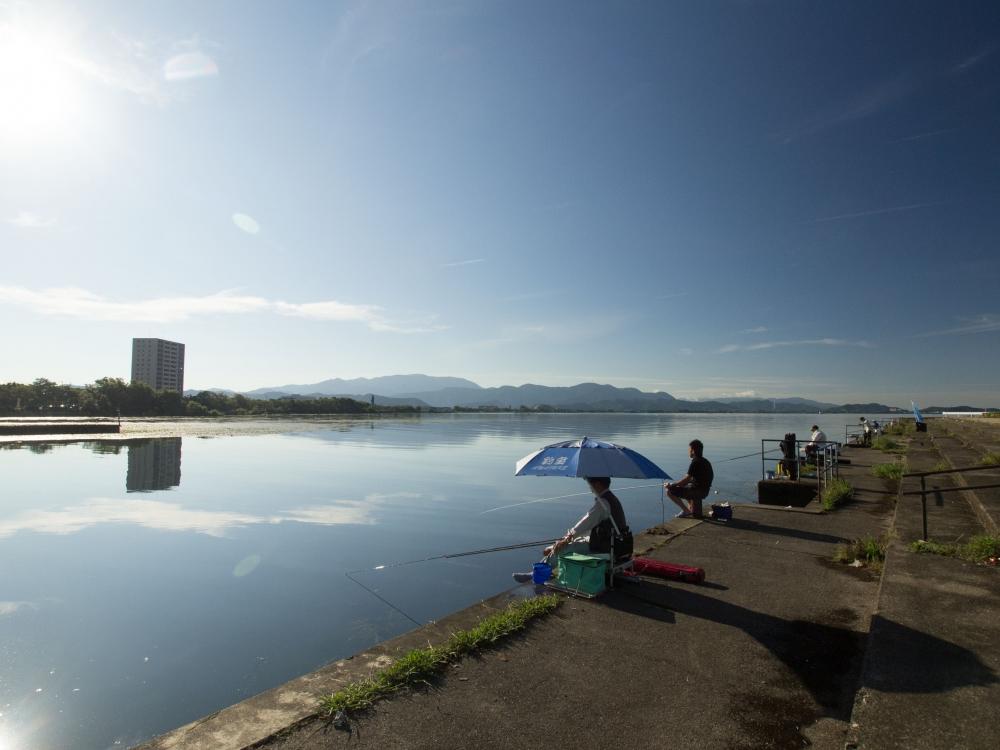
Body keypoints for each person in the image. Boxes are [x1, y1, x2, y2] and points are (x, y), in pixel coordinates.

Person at [513, 476, 630, 582]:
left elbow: (586, 522)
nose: (589, 487)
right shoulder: (611, 499)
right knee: (562, 545)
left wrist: (568, 538)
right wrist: (568, 538)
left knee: (563, 548)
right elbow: (593, 527)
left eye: (590, 483)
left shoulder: (603, 503)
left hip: (607, 548)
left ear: (598, 484)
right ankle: (546, 563)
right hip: (613, 544)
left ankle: (538, 573)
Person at [665, 439, 714, 518]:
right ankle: (691, 508)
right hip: (705, 490)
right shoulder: (705, 461)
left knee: (669, 491)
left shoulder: (695, 462)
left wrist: (671, 485)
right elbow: (693, 479)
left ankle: (686, 511)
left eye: (689, 450)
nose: (688, 451)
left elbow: (685, 481)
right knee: (685, 487)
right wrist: (679, 484)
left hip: (698, 492)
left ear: (693, 451)